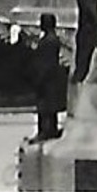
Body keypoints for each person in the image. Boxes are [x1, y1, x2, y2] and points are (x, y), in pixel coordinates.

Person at [32, 12, 66, 141]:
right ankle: (50, 129)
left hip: (47, 77)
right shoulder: (51, 39)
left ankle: (46, 131)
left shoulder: (49, 41)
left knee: (45, 105)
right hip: (50, 77)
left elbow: (46, 62)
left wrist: (40, 77)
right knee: (49, 105)